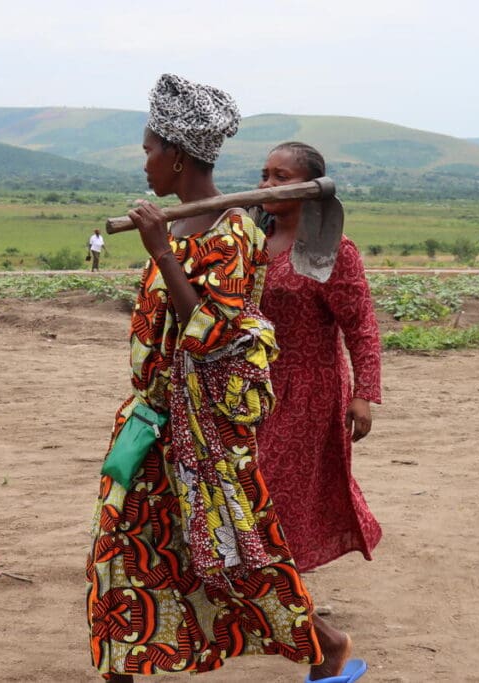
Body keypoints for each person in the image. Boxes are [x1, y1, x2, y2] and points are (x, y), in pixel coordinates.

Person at [86, 75, 364, 682]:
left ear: (178, 156)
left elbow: (224, 335)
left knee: (237, 557)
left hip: (206, 432)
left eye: (148, 150)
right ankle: (119, 671)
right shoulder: (183, 224)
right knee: (118, 547)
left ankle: (327, 646)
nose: (145, 164)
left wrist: (162, 252)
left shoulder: (234, 232)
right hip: (152, 420)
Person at [254, 141, 383, 575]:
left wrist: (363, 394)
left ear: (311, 188)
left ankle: (280, 589)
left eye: (280, 177)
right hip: (252, 387)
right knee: (247, 485)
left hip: (309, 389)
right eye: (265, 175)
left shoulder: (331, 250)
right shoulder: (252, 240)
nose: (267, 184)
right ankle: (273, 587)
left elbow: (361, 325)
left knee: (274, 487)